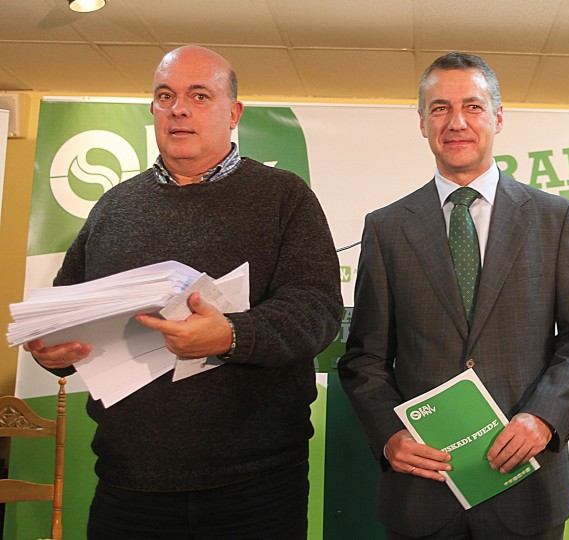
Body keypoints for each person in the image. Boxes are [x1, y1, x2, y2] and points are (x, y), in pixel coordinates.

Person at [23, 46, 343, 539]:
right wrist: (54, 352)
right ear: (152, 109)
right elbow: (67, 311)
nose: (179, 108)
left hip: (255, 485)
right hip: (130, 484)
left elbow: (317, 310)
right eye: (165, 96)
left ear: (233, 113)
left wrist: (232, 336)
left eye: (199, 95)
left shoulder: (285, 196)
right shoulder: (113, 206)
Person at [338, 52, 569, 539]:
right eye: (439, 108)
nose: (456, 122)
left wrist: (544, 419)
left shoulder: (554, 218)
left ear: (499, 118)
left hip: (526, 489)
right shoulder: (386, 228)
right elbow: (364, 358)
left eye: (473, 107)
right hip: (422, 492)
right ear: (422, 123)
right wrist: (388, 436)